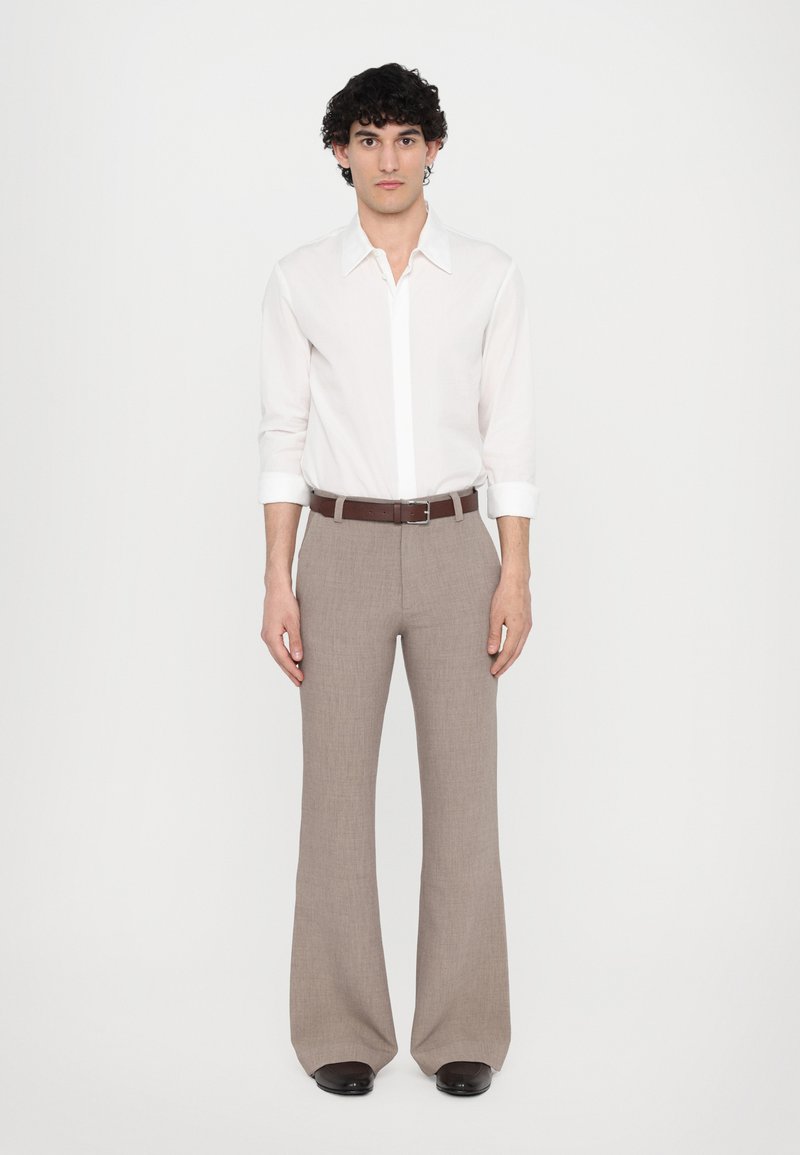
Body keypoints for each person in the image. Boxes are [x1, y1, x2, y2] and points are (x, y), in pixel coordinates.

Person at [258, 62, 539, 1097]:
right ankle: (339, 1026)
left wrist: (515, 574)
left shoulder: (488, 276)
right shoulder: (300, 279)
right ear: (340, 153)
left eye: (405, 138)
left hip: (457, 544)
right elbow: (282, 432)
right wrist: (277, 578)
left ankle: (462, 1029)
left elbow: (509, 434)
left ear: (433, 149)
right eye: (368, 139)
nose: (388, 158)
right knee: (334, 795)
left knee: (465, 794)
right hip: (339, 548)